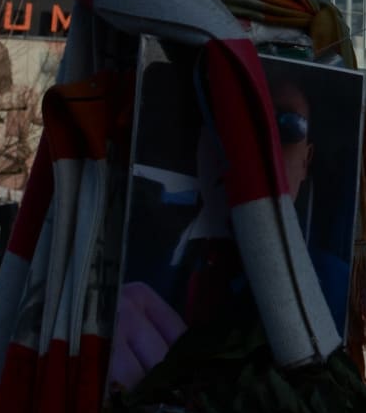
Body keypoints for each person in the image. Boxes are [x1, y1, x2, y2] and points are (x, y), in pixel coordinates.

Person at [109, 70, 317, 393]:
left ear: (306, 161)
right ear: (201, 140)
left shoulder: (331, 297)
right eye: (230, 119)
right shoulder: (115, 247)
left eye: (287, 126)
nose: (254, 146)